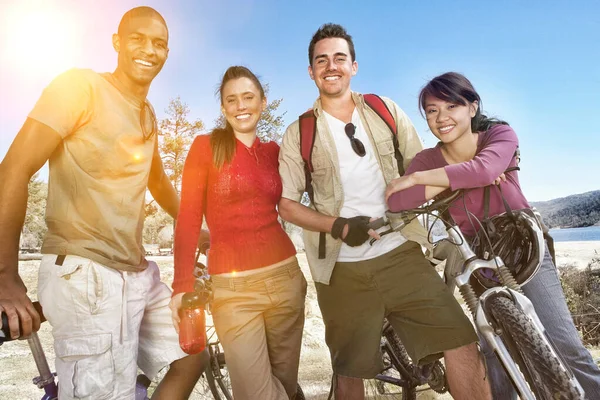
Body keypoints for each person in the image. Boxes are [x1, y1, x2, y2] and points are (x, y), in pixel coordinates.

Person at [0, 6, 208, 399]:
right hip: (86, 274)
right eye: (137, 38)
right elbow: (12, 169)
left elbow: (158, 180)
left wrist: (199, 230)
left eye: (159, 43)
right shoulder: (80, 88)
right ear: (116, 42)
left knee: (191, 355)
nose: (149, 49)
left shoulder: (146, 113)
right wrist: (5, 277)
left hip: (137, 274)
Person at [278, 23, 492, 400]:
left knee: (460, 341)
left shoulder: (384, 109)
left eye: (339, 58)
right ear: (311, 72)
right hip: (340, 270)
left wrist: (488, 153)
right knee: (350, 372)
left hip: (403, 253)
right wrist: (338, 226)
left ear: (354, 66)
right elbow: (287, 205)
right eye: (321, 60)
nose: (332, 66)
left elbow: (423, 163)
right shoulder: (299, 133)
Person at [386, 71, 600, 399]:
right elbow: (397, 200)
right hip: (473, 256)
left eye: (451, 106)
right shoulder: (428, 157)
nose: (441, 117)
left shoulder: (498, 134)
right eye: (431, 110)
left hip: (523, 246)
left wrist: (421, 180)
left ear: (472, 107)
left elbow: (485, 168)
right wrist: (466, 175)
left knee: (565, 345)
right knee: (494, 353)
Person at [170, 66, 306, 400]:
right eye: (231, 100)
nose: (240, 105)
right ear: (223, 108)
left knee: (285, 388)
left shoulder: (275, 152)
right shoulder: (206, 147)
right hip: (233, 292)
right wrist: (181, 284)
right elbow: (187, 217)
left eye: (248, 97)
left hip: (286, 280)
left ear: (263, 102)